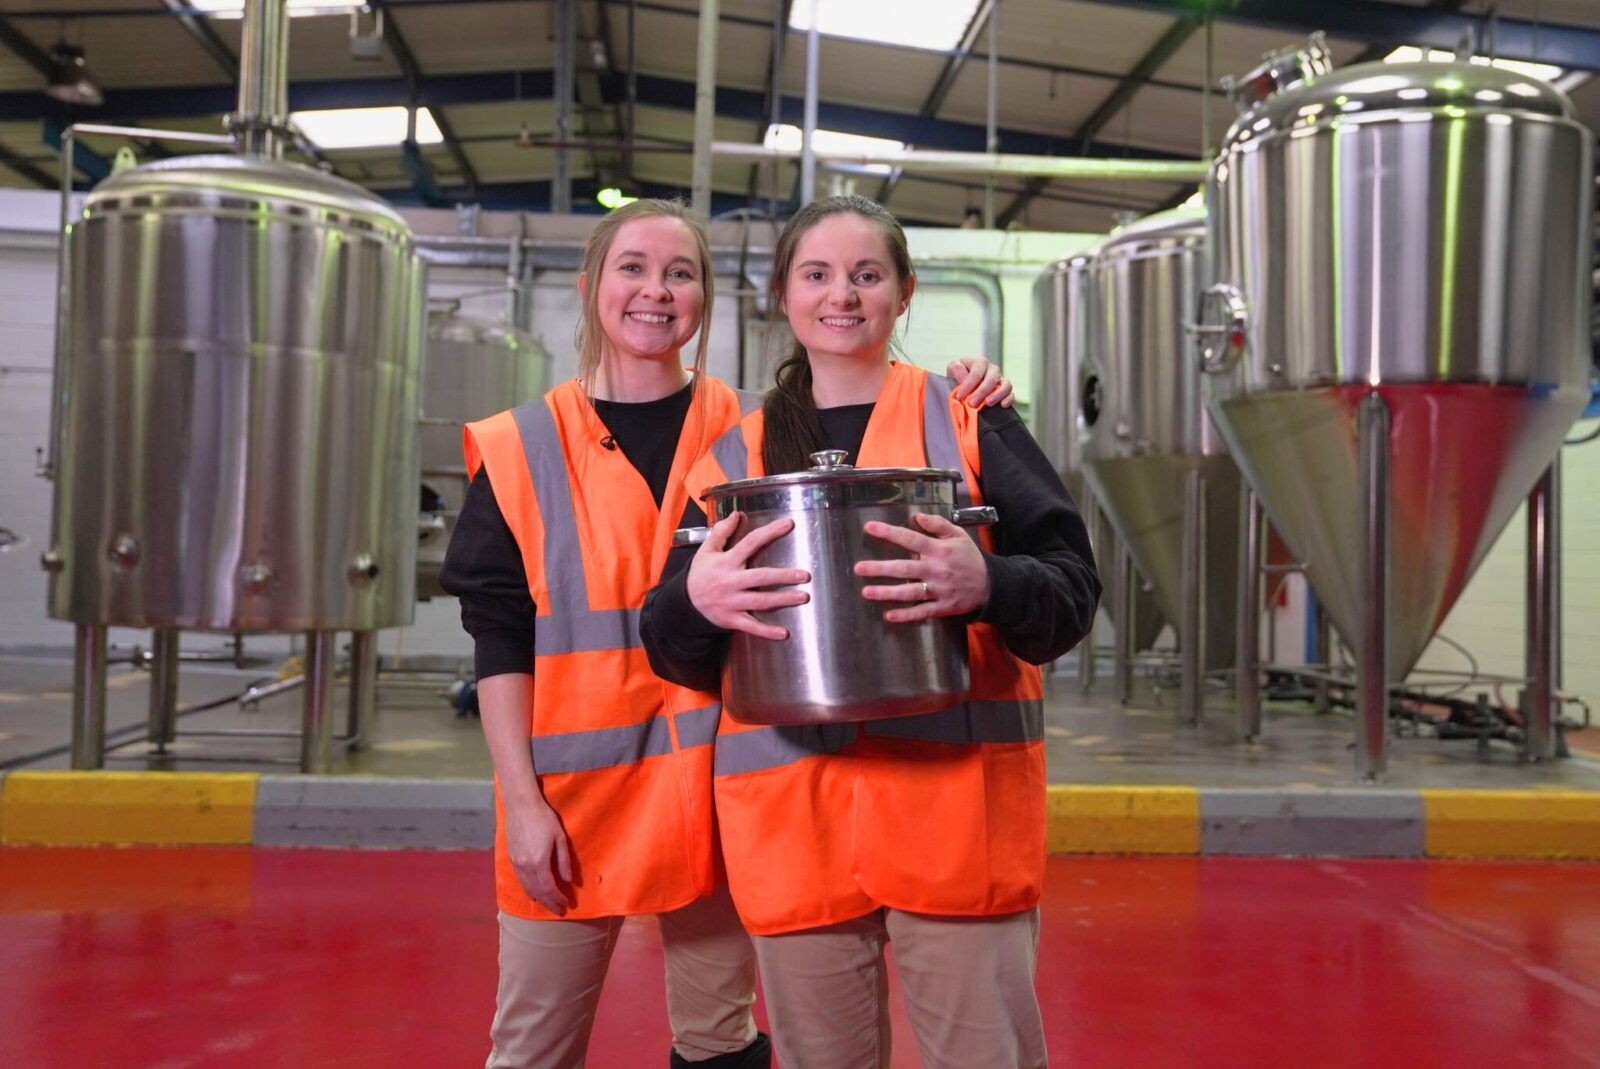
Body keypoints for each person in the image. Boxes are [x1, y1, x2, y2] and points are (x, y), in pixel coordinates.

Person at [439, 197, 1015, 1069]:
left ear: (706, 297)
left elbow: (866, 412)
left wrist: (971, 379)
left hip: (717, 804)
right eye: (633, 268)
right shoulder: (521, 445)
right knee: (531, 1047)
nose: (656, 291)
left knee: (718, 1040)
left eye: (681, 273)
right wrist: (521, 802)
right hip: (572, 802)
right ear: (590, 285)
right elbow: (500, 639)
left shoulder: (758, 427)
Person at [641, 195, 1101, 1069]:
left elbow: (1072, 591)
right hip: (794, 832)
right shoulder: (733, 459)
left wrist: (988, 580)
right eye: (817, 274)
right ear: (784, 293)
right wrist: (696, 599)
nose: (841, 295)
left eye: (866, 275)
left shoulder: (967, 418)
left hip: (956, 826)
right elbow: (669, 644)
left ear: (904, 292)